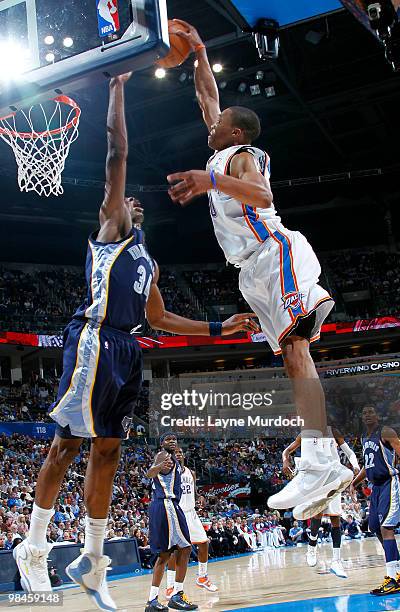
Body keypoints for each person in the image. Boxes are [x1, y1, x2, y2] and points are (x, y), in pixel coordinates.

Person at [13, 72, 257, 612]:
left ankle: (92, 558)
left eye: (140, 205)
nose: (135, 205)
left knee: (108, 450)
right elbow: (117, 153)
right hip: (95, 340)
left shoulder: (149, 259)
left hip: (126, 350)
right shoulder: (112, 230)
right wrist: (119, 87)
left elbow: (163, 318)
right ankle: (33, 546)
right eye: (129, 202)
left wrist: (219, 328)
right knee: (66, 446)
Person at [166, 20, 353, 517]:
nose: (210, 123)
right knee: (293, 358)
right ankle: (321, 459)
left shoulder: (243, 155)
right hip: (251, 269)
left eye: (219, 121)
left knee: (297, 350)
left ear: (237, 131)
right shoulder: (223, 146)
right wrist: (200, 53)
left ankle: (322, 459)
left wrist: (209, 180)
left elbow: (265, 196)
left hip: (275, 251)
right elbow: (206, 95)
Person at [282, 426, 360, 577]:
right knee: (317, 513)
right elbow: (286, 451)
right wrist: (286, 460)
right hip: (316, 478)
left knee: (335, 517)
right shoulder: (305, 434)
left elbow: (349, 452)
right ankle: (312, 547)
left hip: (334, 476)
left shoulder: (335, 432)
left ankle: (336, 561)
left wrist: (356, 466)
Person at [145, 434, 197, 612]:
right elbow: (150, 473)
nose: (172, 441)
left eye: (174, 439)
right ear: (162, 444)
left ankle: (154, 599)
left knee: (167, 554)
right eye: (168, 439)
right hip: (167, 505)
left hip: (169, 506)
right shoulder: (162, 456)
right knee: (183, 549)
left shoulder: (174, 458)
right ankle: (176, 594)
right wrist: (159, 466)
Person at [352, 405, 400, 595]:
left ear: (378, 416)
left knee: (386, 528)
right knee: (373, 527)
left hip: (390, 482)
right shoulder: (364, 437)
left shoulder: (386, 432)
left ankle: (393, 578)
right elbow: (368, 463)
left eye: (371, 412)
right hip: (376, 487)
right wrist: (354, 483)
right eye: (364, 413)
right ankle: (395, 567)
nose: (368, 415)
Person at [165, 447, 217, 598]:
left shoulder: (191, 473)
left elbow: (193, 492)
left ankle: (202, 577)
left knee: (204, 543)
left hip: (191, 513)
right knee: (175, 551)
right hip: (177, 513)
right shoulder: (169, 472)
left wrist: (199, 497)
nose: (179, 454)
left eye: (181, 452)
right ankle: (170, 586)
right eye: (176, 453)